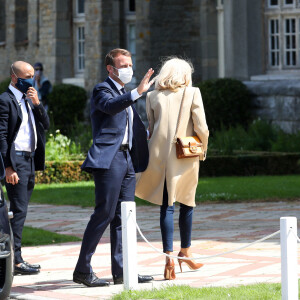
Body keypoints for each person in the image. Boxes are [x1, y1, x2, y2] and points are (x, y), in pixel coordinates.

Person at [73, 48, 155, 287]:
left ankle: (123, 271)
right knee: (104, 214)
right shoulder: (102, 90)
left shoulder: (124, 92)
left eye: (130, 64)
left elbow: (126, 124)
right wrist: (137, 92)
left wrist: (146, 133)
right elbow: (110, 107)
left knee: (124, 217)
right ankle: (82, 270)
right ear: (110, 69)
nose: (128, 69)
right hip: (109, 161)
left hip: (127, 158)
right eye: (123, 65)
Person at [135, 57, 209, 280]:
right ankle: (185, 251)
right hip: (185, 155)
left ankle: (168, 259)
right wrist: (203, 148)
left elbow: (151, 126)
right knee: (187, 203)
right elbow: (202, 127)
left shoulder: (152, 96)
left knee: (166, 205)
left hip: (159, 157)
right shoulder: (192, 93)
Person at [0, 61, 50, 275]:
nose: (32, 79)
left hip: (29, 160)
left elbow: (45, 124)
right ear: (14, 78)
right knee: (18, 211)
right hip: (16, 161)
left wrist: (37, 104)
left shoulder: (29, 99)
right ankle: (16, 260)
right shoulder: (5, 100)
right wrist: (8, 167)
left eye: (33, 75)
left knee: (21, 210)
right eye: (27, 76)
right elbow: (1, 136)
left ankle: (15, 257)